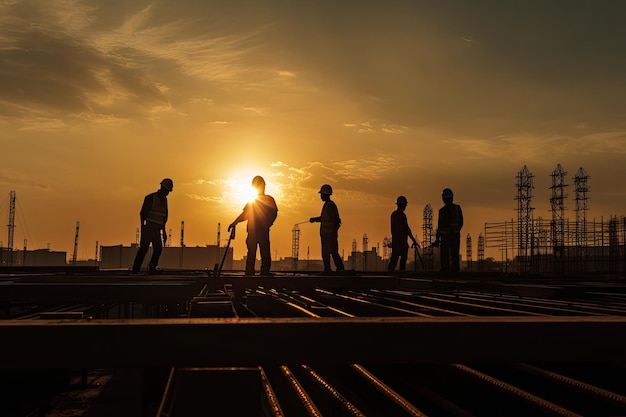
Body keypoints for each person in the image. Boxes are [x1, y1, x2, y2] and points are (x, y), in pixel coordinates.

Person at [228, 176, 278, 276]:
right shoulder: (255, 201)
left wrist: (268, 223)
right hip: (255, 231)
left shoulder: (265, 200)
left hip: (259, 231)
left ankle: (260, 273)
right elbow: (245, 215)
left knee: (262, 253)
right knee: (255, 253)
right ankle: (253, 273)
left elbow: (274, 213)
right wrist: (235, 222)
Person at [131, 178, 173, 274]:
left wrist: (164, 232)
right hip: (149, 228)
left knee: (158, 249)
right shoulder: (151, 198)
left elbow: (163, 218)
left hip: (157, 229)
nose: (167, 193)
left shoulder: (165, 201)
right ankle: (135, 270)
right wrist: (143, 227)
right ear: (162, 188)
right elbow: (143, 214)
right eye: (166, 191)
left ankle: (152, 268)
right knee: (144, 249)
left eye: (168, 191)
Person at [310, 184, 345, 275]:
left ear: (325, 195)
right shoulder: (328, 205)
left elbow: (334, 220)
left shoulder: (330, 205)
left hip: (329, 234)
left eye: (321, 194)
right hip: (327, 234)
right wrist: (315, 219)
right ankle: (335, 268)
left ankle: (333, 269)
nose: (320, 196)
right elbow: (324, 218)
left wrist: (333, 232)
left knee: (329, 252)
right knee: (330, 252)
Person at [435, 188, 463, 273]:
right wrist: (437, 238)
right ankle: (445, 269)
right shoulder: (442, 211)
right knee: (444, 254)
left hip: (454, 235)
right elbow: (439, 225)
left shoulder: (457, 208)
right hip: (445, 236)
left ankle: (454, 269)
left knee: (454, 254)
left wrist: (455, 230)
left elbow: (461, 222)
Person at [388, 196, 418, 272]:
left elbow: (406, 229)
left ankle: (395, 273)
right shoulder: (397, 215)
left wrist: (413, 240)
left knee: (400, 259)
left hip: (401, 242)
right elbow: (396, 230)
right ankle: (391, 273)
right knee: (396, 259)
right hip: (399, 242)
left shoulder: (399, 215)